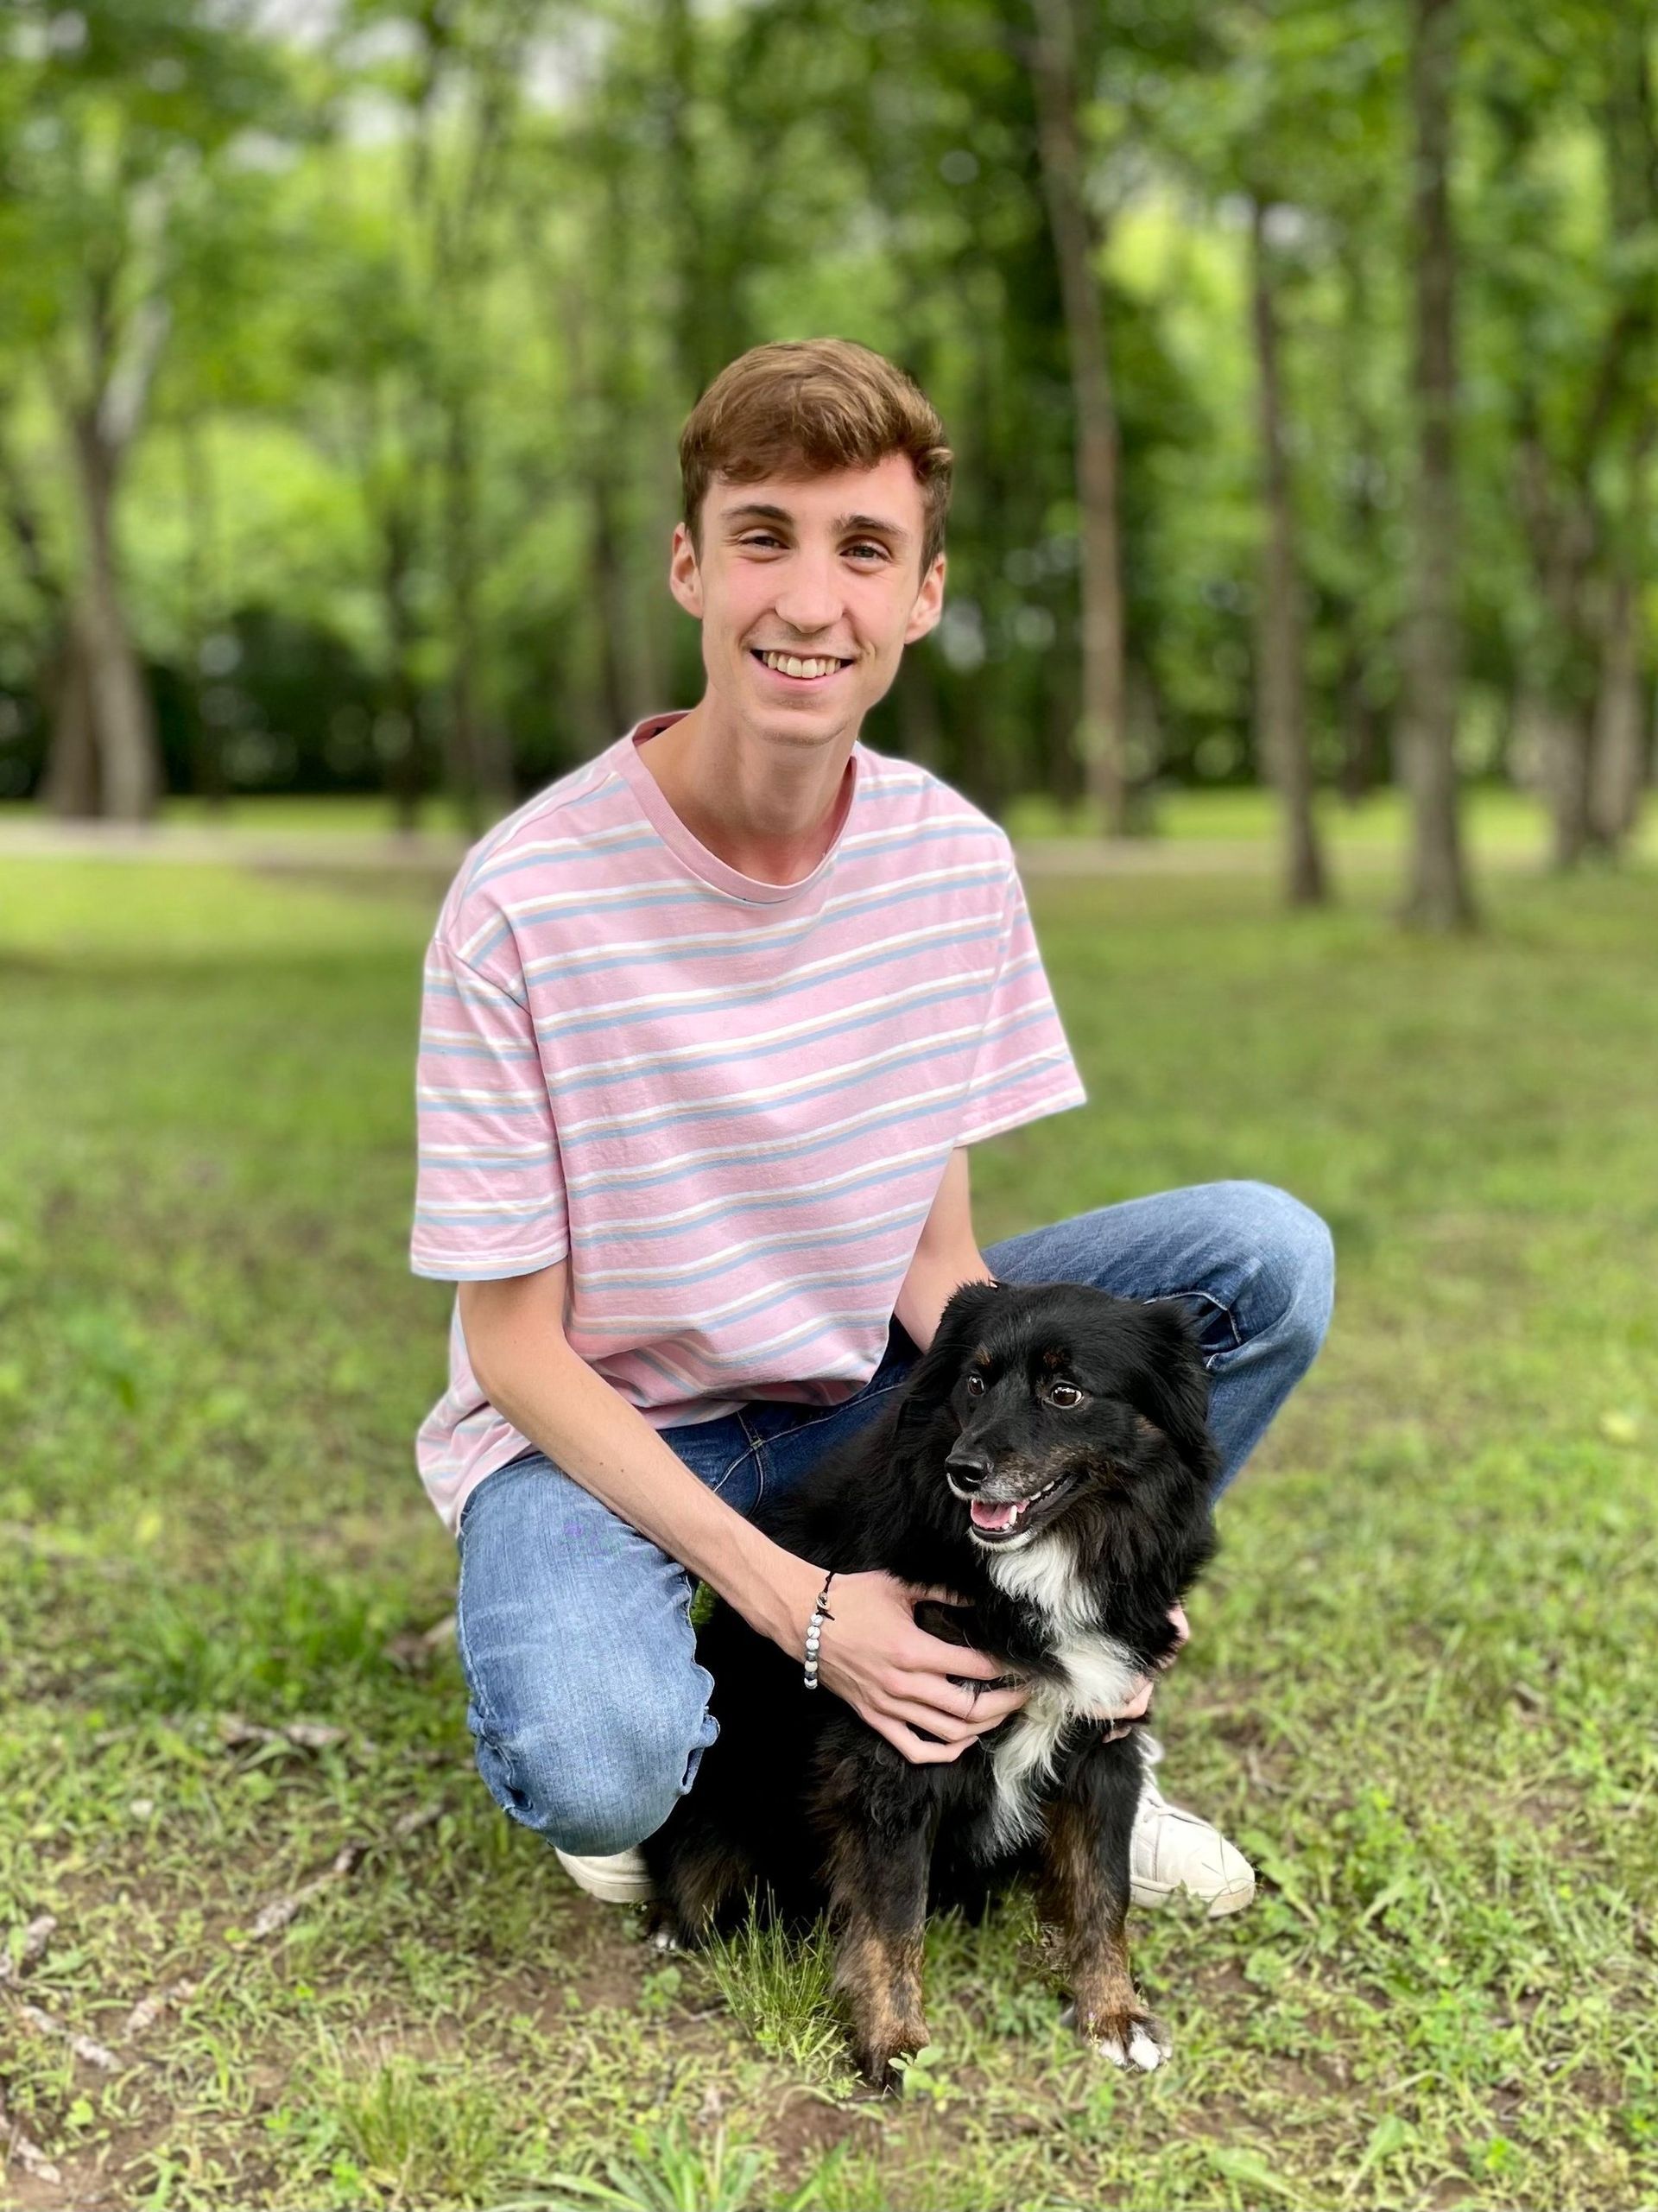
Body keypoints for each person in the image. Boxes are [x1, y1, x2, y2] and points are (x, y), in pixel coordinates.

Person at [410, 338, 1333, 1920]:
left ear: (923, 594)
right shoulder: (521, 897)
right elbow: (514, 1347)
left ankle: (1065, 1686)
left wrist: (1103, 1541)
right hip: (602, 1423)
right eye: (765, 536)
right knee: (609, 1767)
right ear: (692, 564)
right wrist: (807, 1608)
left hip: (865, 1395)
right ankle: (659, 1650)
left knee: (1264, 1255)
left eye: (865, 550)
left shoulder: (953, 863)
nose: (811, 601)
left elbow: (939, 1260)